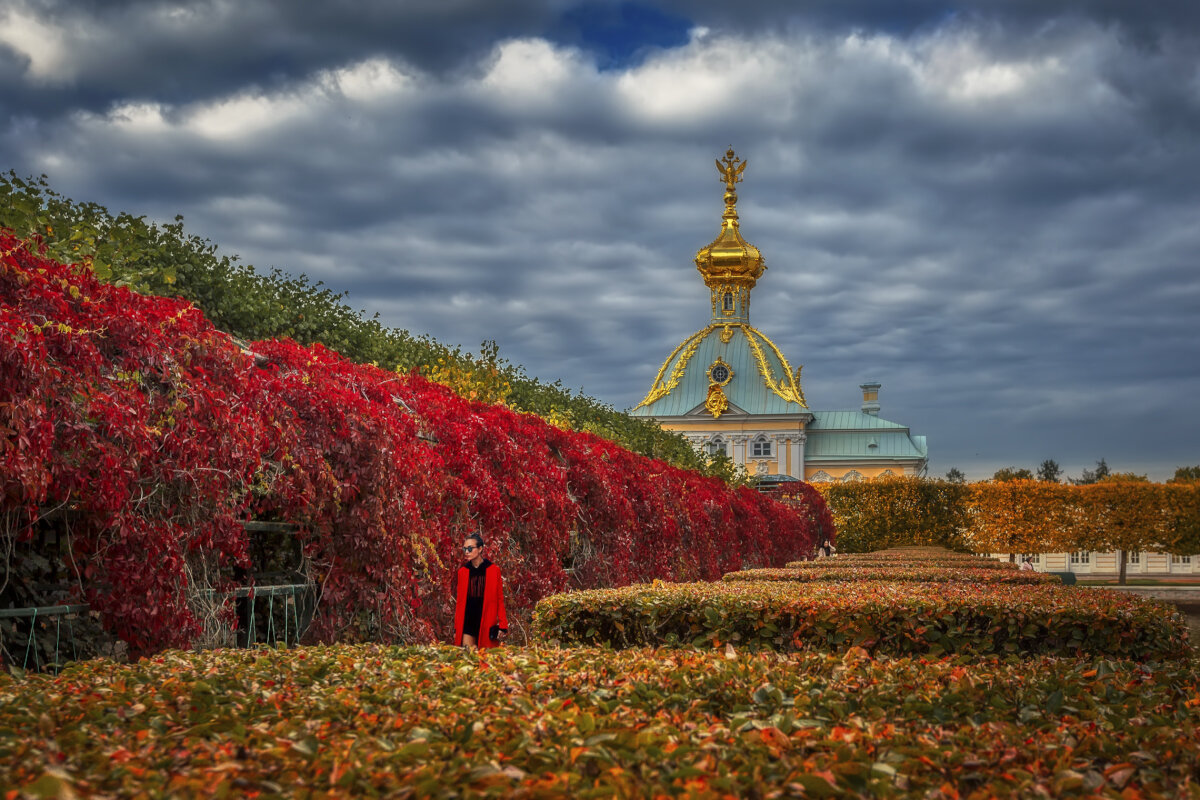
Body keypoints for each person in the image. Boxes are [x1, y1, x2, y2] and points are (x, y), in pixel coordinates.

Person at [453, 534, 508, 650]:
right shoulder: (462, 572)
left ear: (480, 549)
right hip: (468, 621)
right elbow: (460, 602)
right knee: (468, 659)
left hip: (486, 622)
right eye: (464, 549)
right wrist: (457, 627)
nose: (466, 552)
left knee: (485, 661)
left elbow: (499, 599)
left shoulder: (493, 570)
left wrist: (503, 625)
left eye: (470, 548)